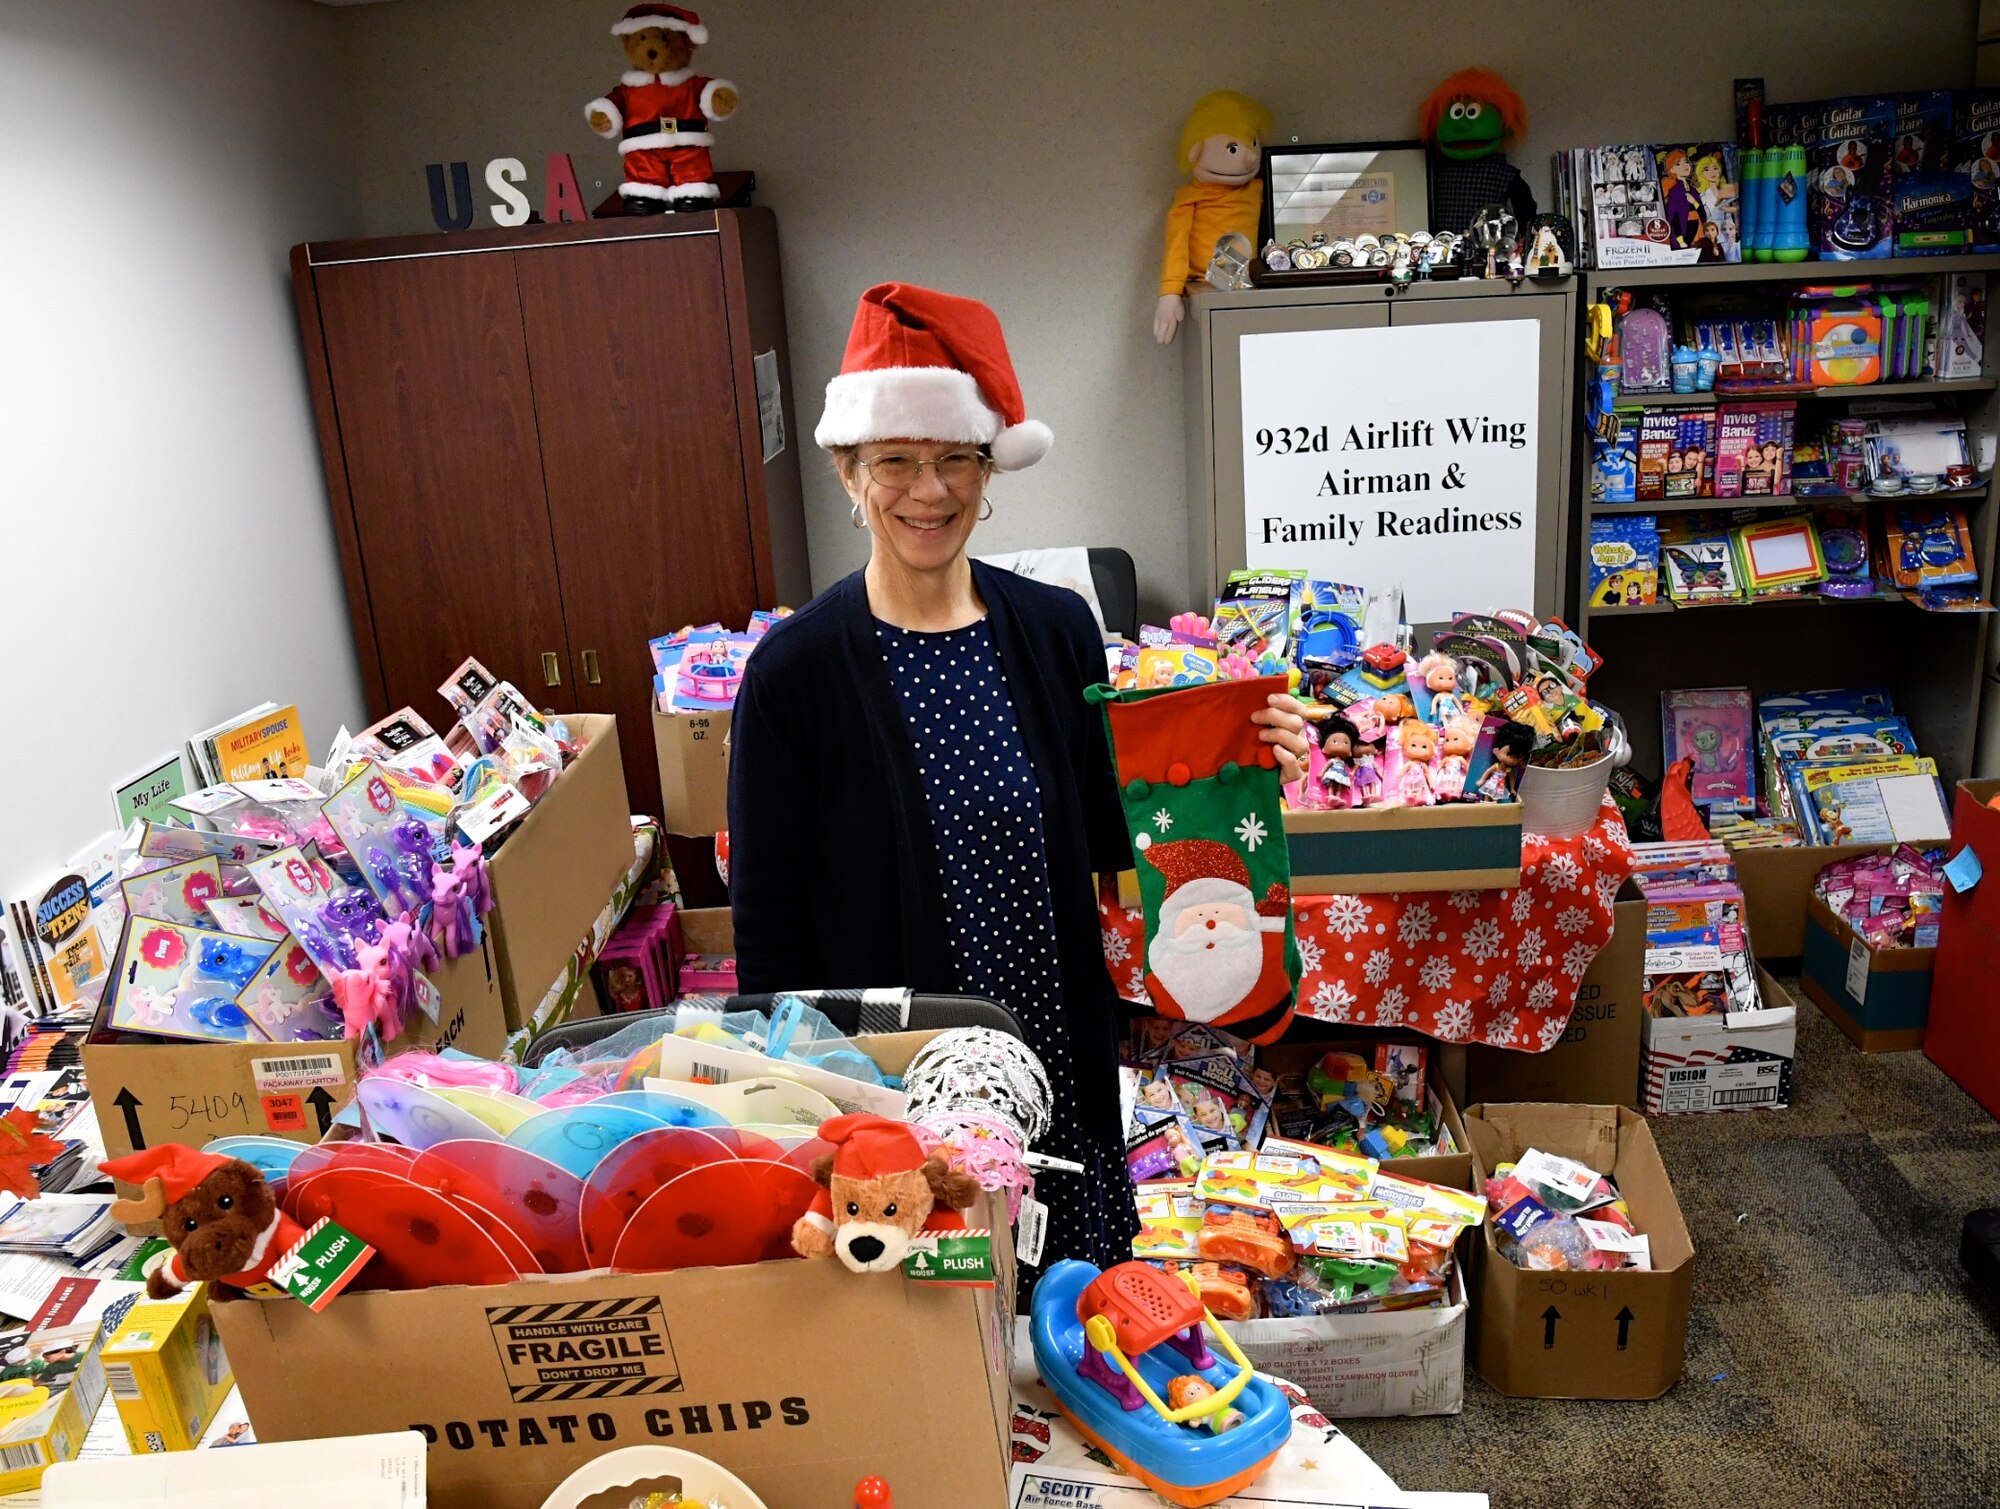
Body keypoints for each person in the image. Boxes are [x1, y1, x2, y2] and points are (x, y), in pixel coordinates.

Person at [726, 283, 1310, 1278]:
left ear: (987, 464)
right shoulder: (795, 673)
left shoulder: (1051, 629)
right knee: (938, 1328)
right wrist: (808, 1111)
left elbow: (1101, 833)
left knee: (1065, 1316)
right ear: (845, 471)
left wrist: (1240, 768)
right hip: (901, 1083)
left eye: (955, 457)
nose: (929, 490)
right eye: (896, 462)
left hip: (1054, 1045)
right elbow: (768, 934)